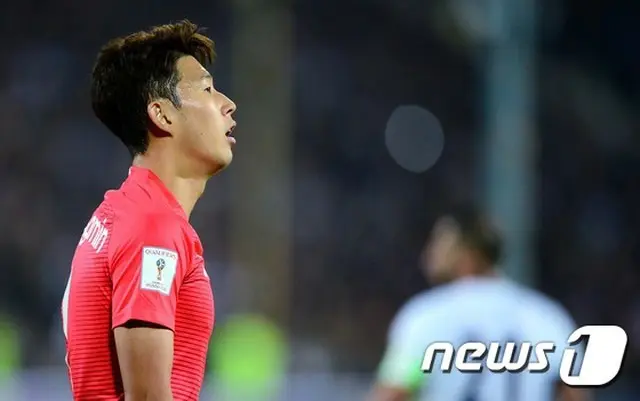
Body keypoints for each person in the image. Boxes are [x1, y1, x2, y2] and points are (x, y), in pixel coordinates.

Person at [60, 20, 237, 401]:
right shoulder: (152, 226)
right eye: (207, 89)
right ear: (162, 115)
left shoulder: (123, 213)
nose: (228, 104)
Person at [368, 208, 590, 401]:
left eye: (439, 243)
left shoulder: (427, 317)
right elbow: (574, 394)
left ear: (468, 255)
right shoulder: (547, 317)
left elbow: (394, 391)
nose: (429, 254)